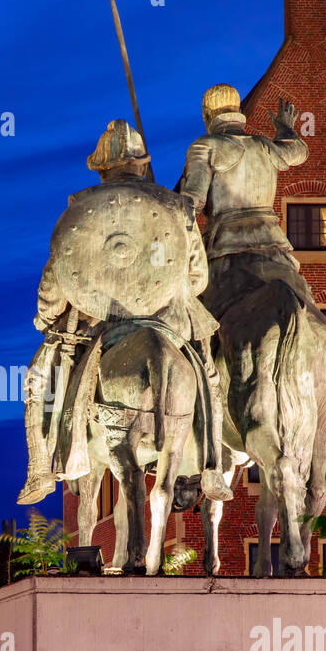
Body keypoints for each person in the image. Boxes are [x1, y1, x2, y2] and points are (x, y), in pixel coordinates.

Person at [18, 119, 232, 505]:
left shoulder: (80, 207)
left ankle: (39, 469)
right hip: (170, 320)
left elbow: (56, 277)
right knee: (211, 377)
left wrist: (46, 316)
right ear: (141, 164)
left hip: (100, 325)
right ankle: (214, 466)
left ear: (102, 168)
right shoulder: (176, 205)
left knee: (38, 381)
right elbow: (198, 278)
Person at [178, 84, 326, 453]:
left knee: (193, 335)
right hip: (277, 254)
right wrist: (284, 128)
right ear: (238, 112)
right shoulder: (262, 145)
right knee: (318, 327)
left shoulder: (205, 146)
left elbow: (193, 201)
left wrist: (170, 204)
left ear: (207, 115)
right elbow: (297, 152)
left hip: (228, 257)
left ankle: (197, 428)